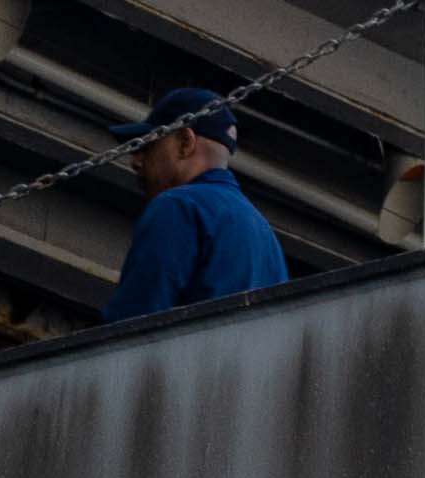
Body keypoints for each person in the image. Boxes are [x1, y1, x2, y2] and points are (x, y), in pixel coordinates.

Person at [99, 86, 287, 320]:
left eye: (147, 146)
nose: (136, 162)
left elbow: (133, 323)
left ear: (185, 142)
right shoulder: (265, 235)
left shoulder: (178, 205)